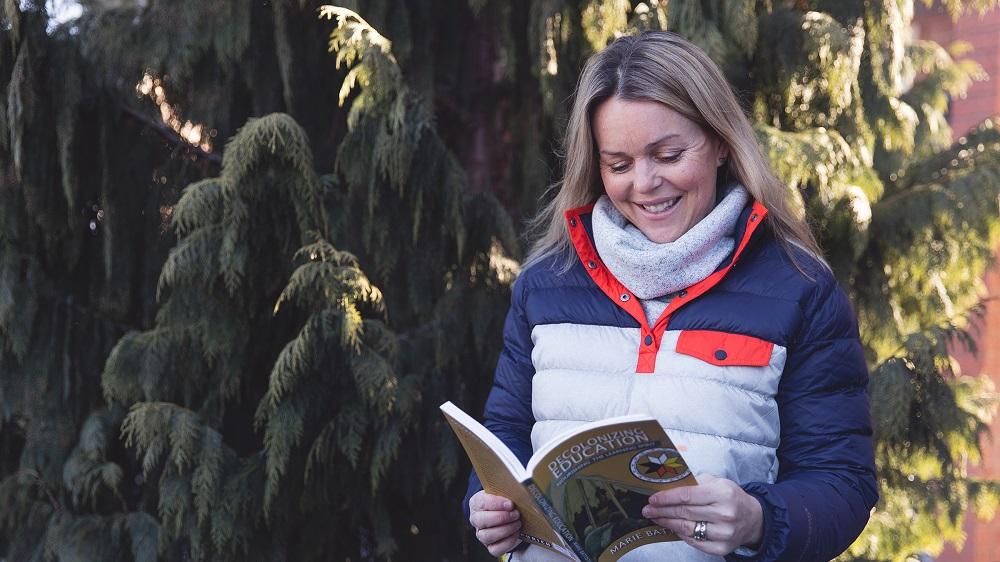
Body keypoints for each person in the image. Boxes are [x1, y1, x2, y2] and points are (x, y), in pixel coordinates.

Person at [464, 31, 878, 561]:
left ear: (722, 142)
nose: (645, 183)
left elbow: (843, 484)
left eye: (669, 154)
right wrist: (485, 506)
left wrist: (759, 520)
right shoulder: (546, 284)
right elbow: (504, 438)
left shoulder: (798, 290)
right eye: (618, 164)